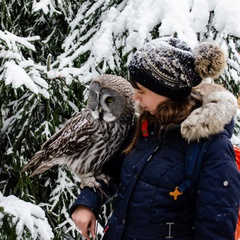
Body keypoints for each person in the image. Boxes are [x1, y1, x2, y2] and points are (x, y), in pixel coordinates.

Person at [70, 37, 240, 240]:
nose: (135, 97)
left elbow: (215, 229)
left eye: (141, 91)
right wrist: (88, 201)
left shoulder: (212, 148)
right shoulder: (147, 127)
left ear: (167, 92)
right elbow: (114, 173)